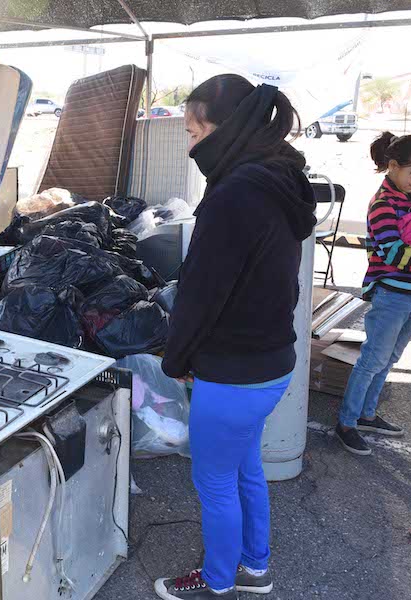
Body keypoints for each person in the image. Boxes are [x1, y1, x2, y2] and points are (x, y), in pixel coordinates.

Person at [157, 75, 317, 599]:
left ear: (225, 129)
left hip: (233, 373)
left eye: (194, 132)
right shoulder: (278, 177)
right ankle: (256, 566)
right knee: (246, 467)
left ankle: (220, 581)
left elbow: (201, 294)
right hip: (271, 364)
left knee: (216, 484)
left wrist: (175, 357)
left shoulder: (235, 195)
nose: (191, 144)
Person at [335, 133, 411, 456]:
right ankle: (346, 423)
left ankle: (367, 414)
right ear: (392, 166)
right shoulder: (383, 204)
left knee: (389, 358)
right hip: (392, 293)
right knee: (372, 358)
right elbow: (393, 253)